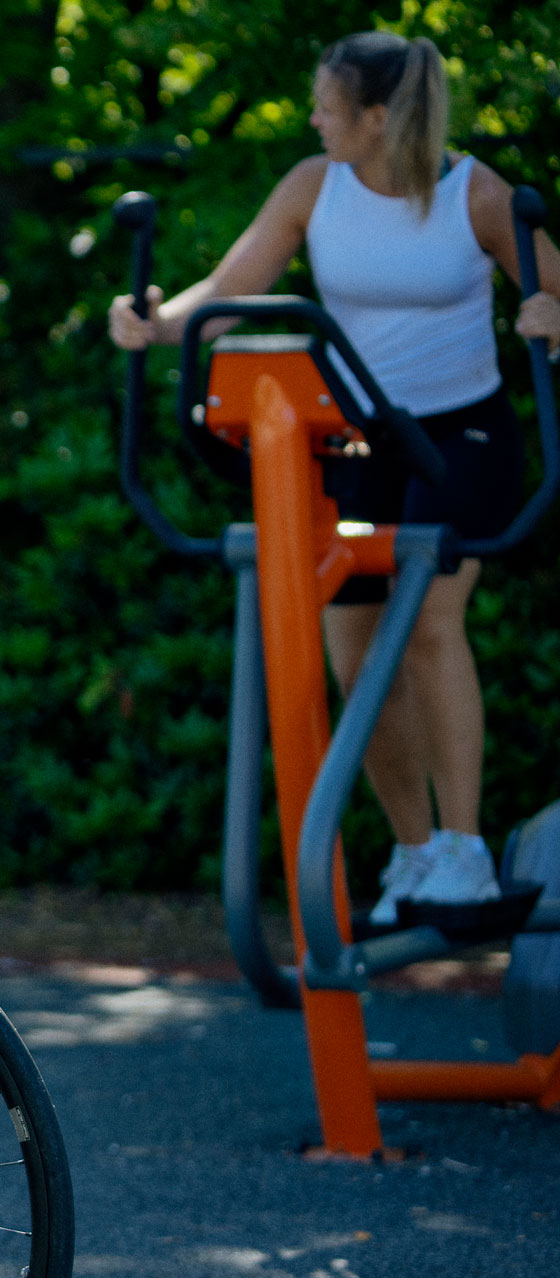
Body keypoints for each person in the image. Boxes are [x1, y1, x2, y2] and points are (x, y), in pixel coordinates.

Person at [110, 31, 560, 926]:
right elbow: (227, 289)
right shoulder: (313, 188)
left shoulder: (475, 195)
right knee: (354, 654)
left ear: (378, 117)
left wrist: (548, 305)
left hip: (461, 434)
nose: (313, 117)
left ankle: (467, 853)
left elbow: (555, 286)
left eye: (327, 105)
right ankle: (417, 854)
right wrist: (157, 323)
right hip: (355, 438)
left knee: (429, 620)